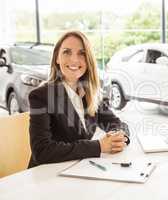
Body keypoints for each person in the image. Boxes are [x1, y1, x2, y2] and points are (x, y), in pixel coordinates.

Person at [28, 31, 130, 168]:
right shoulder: (41, 96)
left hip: (77, 170)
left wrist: (119, 137)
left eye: (81, 53)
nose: (74, 60)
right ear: (57, 58)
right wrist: (98, 146)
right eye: (67, 52)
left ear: (88, 60)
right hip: (46, 176)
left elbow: (116, 123)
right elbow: (42, 151)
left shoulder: (90, 93)